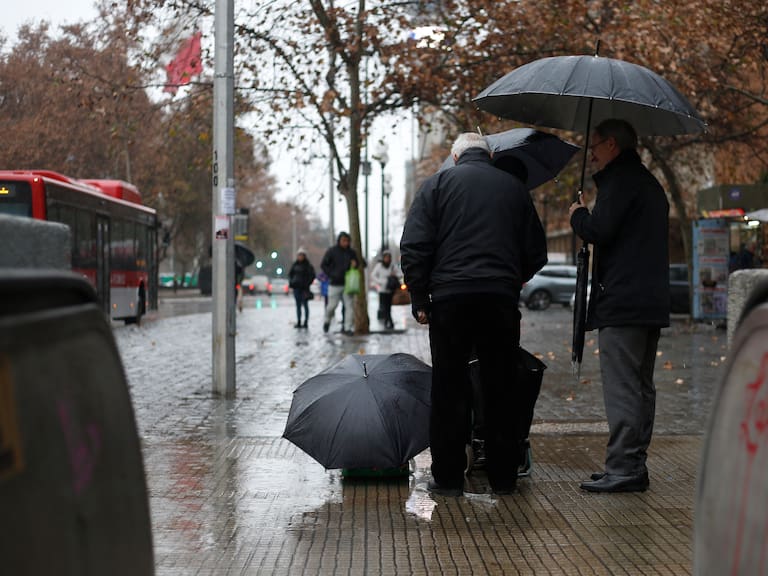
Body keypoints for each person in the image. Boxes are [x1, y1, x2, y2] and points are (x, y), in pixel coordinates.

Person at [400, 132, 547, 496]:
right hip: (499, 300)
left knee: (449, 387)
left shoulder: (436, 185)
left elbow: (415, 245)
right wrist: (510, 280)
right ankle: (503, 478)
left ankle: (448, 478)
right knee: (500, 387)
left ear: (455, 156)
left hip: (449, 300)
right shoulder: (514, 189)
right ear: (490, 155)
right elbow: (536, 251)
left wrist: (420, 297)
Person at [568, 118, 670, 494]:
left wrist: (578, 214)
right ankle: (631, 464)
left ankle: (624, 468)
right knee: (641, 386)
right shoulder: (648, 183)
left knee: (624, 387)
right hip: (647, 302)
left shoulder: (621, 182)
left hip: (623, 302)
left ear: (612, 144)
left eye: (594, 146)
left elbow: (600, 230)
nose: (591, 154)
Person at [320, 231, 359, 334]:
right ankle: (327, 321)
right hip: (335, 283)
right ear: (339, 241)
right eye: (343, 241)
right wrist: (331, 274)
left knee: (349, 307)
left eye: (347, 241)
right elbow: (323, 265)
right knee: (332, 306)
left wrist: (355, 264)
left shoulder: (351, 253)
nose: (345, 243)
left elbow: (360, 263)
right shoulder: (332, 251)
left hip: (348, 284)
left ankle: (347, 328)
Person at [369, 250, 400, 330]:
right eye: (386, 257)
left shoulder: (392, 266)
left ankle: (387, 322)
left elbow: (400, 274)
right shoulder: (379, 266)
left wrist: (394, 275)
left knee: (388, 306)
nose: (387, 259)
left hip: (390, 289)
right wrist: (380, 282)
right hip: (382, 290)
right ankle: (389, 322)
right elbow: (373, 275)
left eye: (388, 257)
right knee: (384, 306)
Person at [288, 247, 316, 328]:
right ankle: (299, 321)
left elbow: (312, 276)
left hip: (304, 289)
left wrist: (307, 283)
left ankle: (306, 322)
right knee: (298, 306)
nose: (300, 257)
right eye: (299, 255)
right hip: (296, 288)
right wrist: (292, 282)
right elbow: (290, 274)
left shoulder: (308, 266)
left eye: (301, 255)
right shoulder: (295, 265)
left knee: (305, 305)